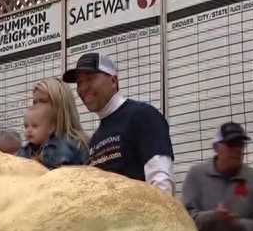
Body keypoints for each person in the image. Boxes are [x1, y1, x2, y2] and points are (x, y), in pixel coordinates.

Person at [62, 52, 174, 195]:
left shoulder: (143, 116)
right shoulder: (96, 138)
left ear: (113, 81)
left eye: (90, 79)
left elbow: (161, 182)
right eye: (79, 83)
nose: (83, 88)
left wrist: (160, 208)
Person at [31, 78, 90, 161]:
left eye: (42, 101)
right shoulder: (31, 149)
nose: (35, 108)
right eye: (34, 103)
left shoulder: (83, 146)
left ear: (60, 105)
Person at [17, 104, 85, 169]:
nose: (28, 130)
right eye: (26, 126)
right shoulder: (23, 152)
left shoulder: (63, 149)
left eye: (34, 126)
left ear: (50, 128)